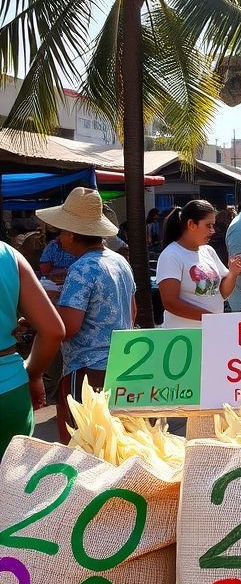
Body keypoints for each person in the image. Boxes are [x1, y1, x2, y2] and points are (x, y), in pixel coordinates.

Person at [36, 188, 137, 444]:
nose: (59, 238)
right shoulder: (119, 262)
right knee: (115, 445)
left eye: (61, 232)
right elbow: (132, 311)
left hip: (86, 371)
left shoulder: (81, 269)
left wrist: (41, 318)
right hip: (121, 366)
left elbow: (68, 327)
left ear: (71, 234)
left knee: (80, 445)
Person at [0, 241, 65, 459]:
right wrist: (34, 374)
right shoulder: (8, 255)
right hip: (10, 390)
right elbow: (53, 331)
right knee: (11, 479)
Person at [156, 199, 241, 327]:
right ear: (191, 224)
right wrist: (209, 318)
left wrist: (233, 273)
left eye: (213, 225)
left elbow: (222, 293)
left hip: (210, 331)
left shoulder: (208, 251)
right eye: (208, 226)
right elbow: (170, 303)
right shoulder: (171, 255)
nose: (213, 231)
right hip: (184, 335)